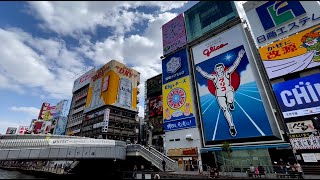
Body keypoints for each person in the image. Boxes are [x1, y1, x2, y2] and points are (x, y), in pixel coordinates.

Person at [196, 49, 246, 137]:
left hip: (228, 90)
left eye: (220, 68)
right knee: (225, 109)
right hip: (219, 94)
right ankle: (231, 126)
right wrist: (200, 71)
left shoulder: (227, 73)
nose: (219, 70)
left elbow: (234, 65)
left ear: (223, 68)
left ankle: (231, 102)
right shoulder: (214, 77)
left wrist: (239, 56)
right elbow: (206, 75)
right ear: (215, 70)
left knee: (230, 96)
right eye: (217, 69)